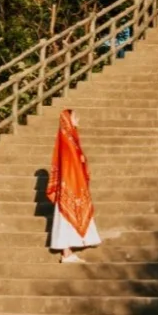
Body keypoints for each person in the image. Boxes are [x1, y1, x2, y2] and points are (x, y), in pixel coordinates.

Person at [46, 107, 101, 262]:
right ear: (68, 120)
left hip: (73, 182)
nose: (78, 120)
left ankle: (68, 251)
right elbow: (71, 164)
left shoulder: (70, 138)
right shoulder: (67, 140)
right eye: (76, 117)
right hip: (70, 183)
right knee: (65, 218)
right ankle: (66, 253)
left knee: (67, 218)